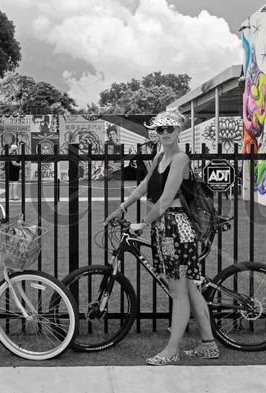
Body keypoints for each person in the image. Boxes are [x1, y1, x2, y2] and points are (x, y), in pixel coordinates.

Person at [104, 108, 219, 366]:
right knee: (188, 288)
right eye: (160, 129)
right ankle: (208, 344)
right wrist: (122, 207)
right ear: (155, 132)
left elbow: (167, 199)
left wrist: (142, 223)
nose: (165, 133)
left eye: (170, 129)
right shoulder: (159, 157)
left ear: (179, 130)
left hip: (176, 229)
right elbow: (145, 186)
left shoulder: (180, 159)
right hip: (164, 228)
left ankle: (172, 350)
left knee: (178, 292)